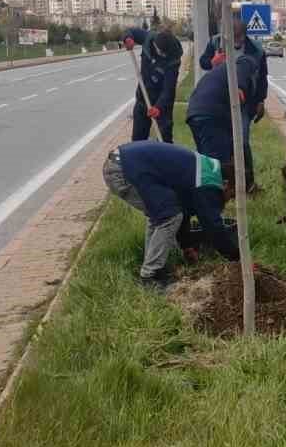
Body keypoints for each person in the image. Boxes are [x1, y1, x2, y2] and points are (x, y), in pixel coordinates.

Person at [102, 140, 238, 287]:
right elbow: (213, 226)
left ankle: (153, 267)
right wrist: (236, 258)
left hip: (125, 164)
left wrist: (186, 245)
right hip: (123, 171)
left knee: (162, 215)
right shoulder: (207, 182)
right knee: (168, 216)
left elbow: (183, 208)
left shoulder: (209, 170)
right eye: (231, 194)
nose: (229, 199)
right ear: (225, 184)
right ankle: (150, 276)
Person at [200, 18, 268, 189]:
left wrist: (261, 100)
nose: (235, 41)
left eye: (238, 37)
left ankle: (249, 183)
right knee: (219, 142)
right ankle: (218, 182)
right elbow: (203, 62)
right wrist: (212, 62)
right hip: (219, 101)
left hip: (245, 102)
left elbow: (262, 79)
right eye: (232, 35)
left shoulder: (256, 50)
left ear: (244, 34)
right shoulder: (216, 42)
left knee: (242, 141)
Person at [185, 48, 258, 163]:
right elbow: (243, 70)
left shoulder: (220, 71)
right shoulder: (243, 65)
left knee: (206, 161)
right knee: (217, 165)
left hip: (194, 114)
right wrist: (240, 87)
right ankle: (218, 180)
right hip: (211, 116)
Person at [123, 26, 183, 143]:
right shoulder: (148, 38)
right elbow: (130, 31)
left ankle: (165, 158)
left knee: (164, 140)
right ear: (155, 45)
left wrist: (158, 107)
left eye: (165, 54)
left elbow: (168, 89)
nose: (162, 55)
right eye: (160, 52)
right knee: (138, 141)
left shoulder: (173, 60)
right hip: (142, 100)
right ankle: (139, 159)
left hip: (162, 105)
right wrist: (128, 38)